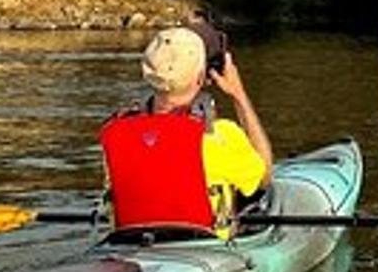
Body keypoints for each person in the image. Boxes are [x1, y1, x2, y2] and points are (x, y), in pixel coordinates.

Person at [99, 22, 274, 238]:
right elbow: (264, 179)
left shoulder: (114, 132)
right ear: (201, 78)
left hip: (131, 246)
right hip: (206, 252)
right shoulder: (219, 136)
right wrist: (239, 95)